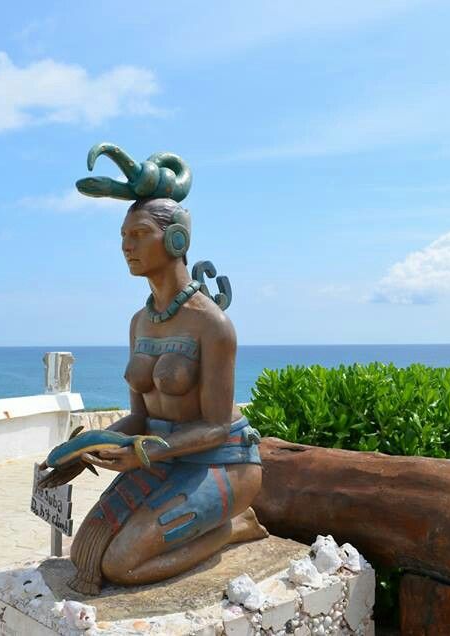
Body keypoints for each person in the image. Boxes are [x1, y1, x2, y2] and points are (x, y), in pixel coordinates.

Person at [40, 146, 267, 595]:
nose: (126, 245)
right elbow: (139, 419)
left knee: (122, 564)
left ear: (176, 239)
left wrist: (142, 454)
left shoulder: (212, 325)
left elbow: (218, 427)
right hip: (163, 459)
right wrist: (89, 445)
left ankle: (234, 526)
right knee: (86, 556)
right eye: (124, 235)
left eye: (139, 233)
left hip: (220, 465)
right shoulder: (139, 323)